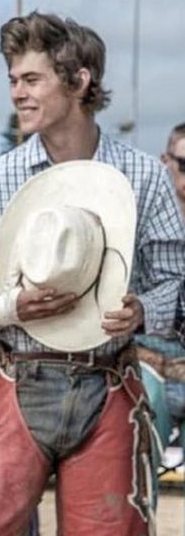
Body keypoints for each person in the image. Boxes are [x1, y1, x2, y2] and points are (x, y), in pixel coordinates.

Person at [0, 11, 185, 534]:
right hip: (18, 371)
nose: (17, 94)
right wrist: (6, 308)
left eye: (31, 79)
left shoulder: (143, 176)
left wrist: (142, 310)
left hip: (108, 376)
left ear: (80, 80)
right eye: (13, 81)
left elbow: (175, 287)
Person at [132, 122, 185, 495]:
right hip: (146, 362)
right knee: (136, 487)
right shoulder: (132, 221)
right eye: (184, 164)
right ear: (165, 161)